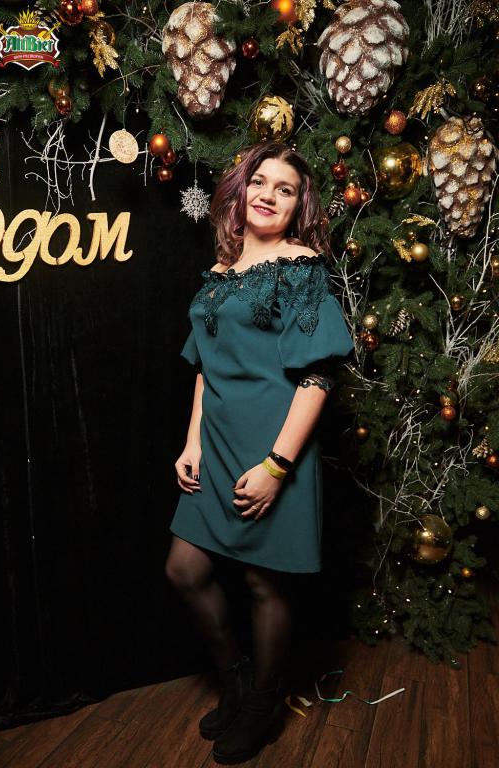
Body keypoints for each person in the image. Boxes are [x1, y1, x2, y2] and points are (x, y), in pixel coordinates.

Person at [165, 140, 354, 765]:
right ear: (240, 190)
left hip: (274, 448)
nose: (269, 195)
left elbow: (318, 377)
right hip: (217, 445)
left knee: (263, 582)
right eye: (261, 182)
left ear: (299, 206)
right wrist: (192, 440)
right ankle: (238, 681)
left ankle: (263, 705)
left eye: (286, 189)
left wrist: (277, 466)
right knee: (185, 570)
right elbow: (205, 367)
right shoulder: (221, 271)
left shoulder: (301, 269)